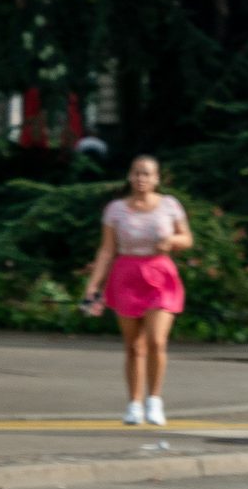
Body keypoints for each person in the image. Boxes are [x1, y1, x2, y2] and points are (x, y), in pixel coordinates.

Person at [80, 154, 191, 426]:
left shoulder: (169, 205)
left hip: (160, 275)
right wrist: (93, 285)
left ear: (156, 179)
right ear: (130, 177)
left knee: (156, 340)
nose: (141, 179)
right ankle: (134, 404)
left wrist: (172, 241)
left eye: (146, 174)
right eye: (136, 173)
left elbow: (187, 238)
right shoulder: (116, 209)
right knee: (133, 346)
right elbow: (107, 249)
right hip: (127, 275)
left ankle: (154, 400)